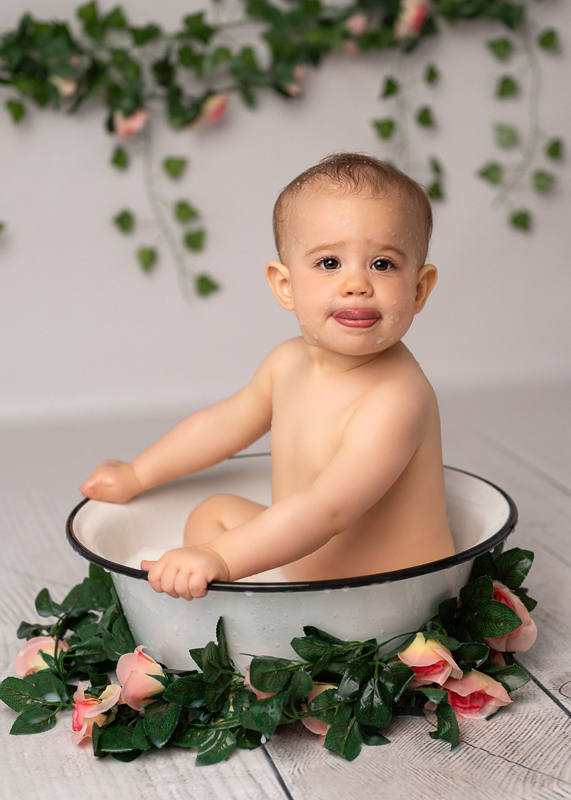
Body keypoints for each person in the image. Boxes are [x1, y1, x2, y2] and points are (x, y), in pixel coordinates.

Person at [81, 153, 455, 600]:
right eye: (329, 263)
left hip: (385, 588)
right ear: (285, 285)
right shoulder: (286, 362)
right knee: (212, 513)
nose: (356, 283)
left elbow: (329, 508)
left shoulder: (398, 397)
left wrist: (220, 557)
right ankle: (232, 603)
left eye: (382, 264)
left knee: (219, 546)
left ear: (419, 289)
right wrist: (137, 474)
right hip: (303, 556)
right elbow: (222, 425)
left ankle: (246, 596)